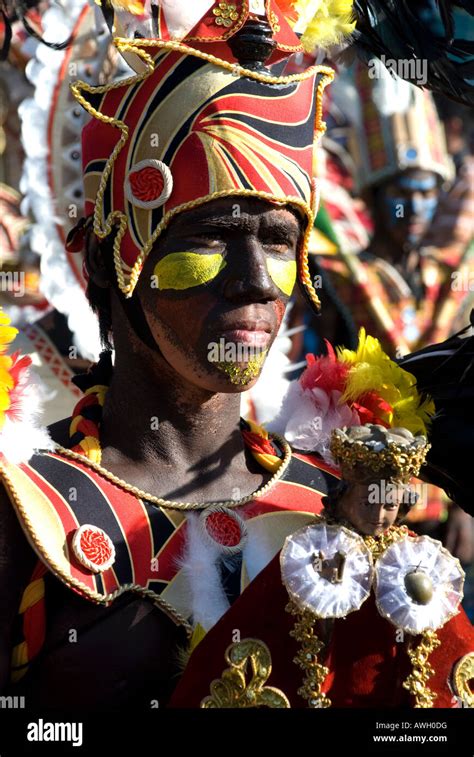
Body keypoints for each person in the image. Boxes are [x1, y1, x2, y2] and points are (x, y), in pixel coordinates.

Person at [169, 424, 473, 708]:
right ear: (344, 496)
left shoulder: (414, 556)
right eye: (368, 502)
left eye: (390, 505)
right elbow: (261, 623)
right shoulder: (310, 551)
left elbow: (452, 648)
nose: (379, 514)